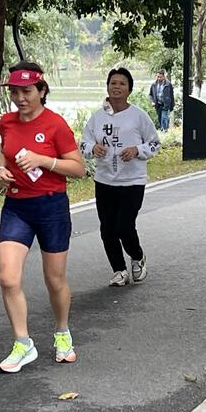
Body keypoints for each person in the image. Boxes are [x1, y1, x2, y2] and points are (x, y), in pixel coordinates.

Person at [0, 62, 86, 374]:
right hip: (17, 206)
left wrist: (44, 160)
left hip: (51, 208)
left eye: (27, 91)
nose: (21, 98)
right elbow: (4, 154)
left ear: (42, 91)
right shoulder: (6, 122)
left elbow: (78, 169)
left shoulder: (56, 125)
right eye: (15, 92)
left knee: (55, 279)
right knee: (8, 277)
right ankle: (23, 343)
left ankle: (62, 332)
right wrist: (1, 170)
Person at [81, 67, 160, 286]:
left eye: (122, 84)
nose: (116, 87)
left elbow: (154, 144)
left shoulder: (139, 116)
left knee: (124, 226)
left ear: (129, 90)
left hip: (132, 182)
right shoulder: (97, 118)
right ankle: (119, 270)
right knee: (107, 229)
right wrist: (92, 148)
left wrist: (137, 150)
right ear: (107, 87)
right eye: (113, 83)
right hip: (105, 181)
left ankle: (137, 256)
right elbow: (83, 143)